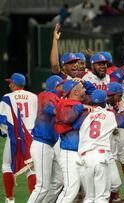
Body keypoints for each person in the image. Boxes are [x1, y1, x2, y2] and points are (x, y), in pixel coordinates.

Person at [76, 89, 124, 202]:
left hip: (84, 158)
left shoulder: (83, 114)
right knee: (101, 197)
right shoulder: (110, 115)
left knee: (90, 197)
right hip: (100, 157)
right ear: (104, 100)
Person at [54, 79, 95, 203]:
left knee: (88, 190)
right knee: (70, 190)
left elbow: (97, 94)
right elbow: (67, 118)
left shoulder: (81, 101)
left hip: (81, 153)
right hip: (69, 153)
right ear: (76, 91)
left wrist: (85, 82)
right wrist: (80, 106)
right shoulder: (64, 103)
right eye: (83, 88)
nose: (85, 90)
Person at [0, 73, 38, 203]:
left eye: (10, 82)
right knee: (31, 169)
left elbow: (3, 120)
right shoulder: (34, 97)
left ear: (14, 84)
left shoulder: (7, 97)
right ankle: (34, 200)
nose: (9, 84)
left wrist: (4, 133)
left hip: (15, 136)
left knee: (6, 166)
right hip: (32, 137)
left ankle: (9, 199)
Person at [27, 75, 64, 203]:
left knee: (58, 182)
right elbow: (49, 108)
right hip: (42, 144)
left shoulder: (53, 96)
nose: (63, 87)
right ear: (56, 86)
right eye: (61, 85)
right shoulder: (48, 95)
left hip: (49, 145)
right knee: (42, 186)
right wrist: (62, 110)